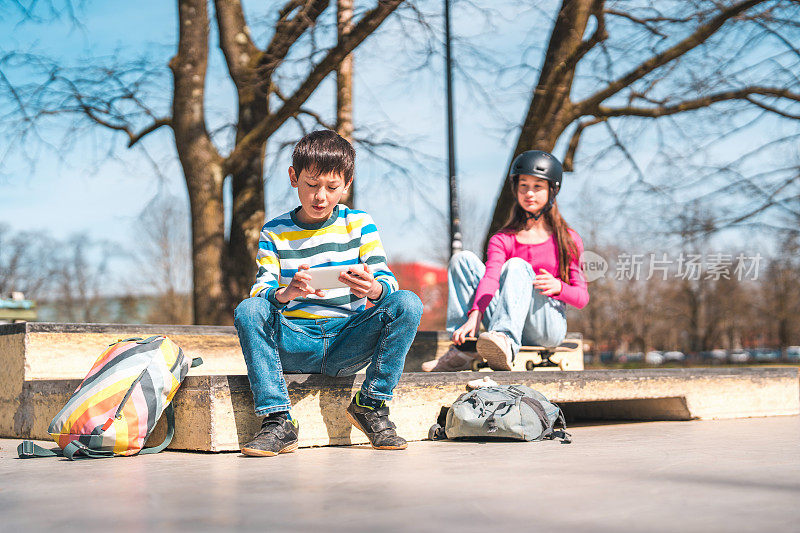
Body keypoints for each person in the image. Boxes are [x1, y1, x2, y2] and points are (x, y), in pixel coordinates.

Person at [234, 130, 423, 456]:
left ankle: (372, 405)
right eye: (311, 185)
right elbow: (260, 291)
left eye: (332, 188)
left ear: (347, 183)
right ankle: (278, 420)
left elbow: (387, 282)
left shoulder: (360, 223)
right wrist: (286, 293)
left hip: (346, 341)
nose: (320, 196)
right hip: (294, 339)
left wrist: (374, 288)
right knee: (248, 309)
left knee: (407, 302)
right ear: (294, 178)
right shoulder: (273, 231)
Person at [423, 150, 588, 372]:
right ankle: (465, 344)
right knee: (462, 260)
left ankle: (505, 340)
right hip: (505, 319)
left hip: (546, 327)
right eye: (523, 186)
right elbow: (490, 278)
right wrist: (475, 314)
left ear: (552, 189)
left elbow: (582, 297)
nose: (529, 193)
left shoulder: (568, 239)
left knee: (516, 265)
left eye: (538, 186)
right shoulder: (503, 238)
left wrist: (559, 287)